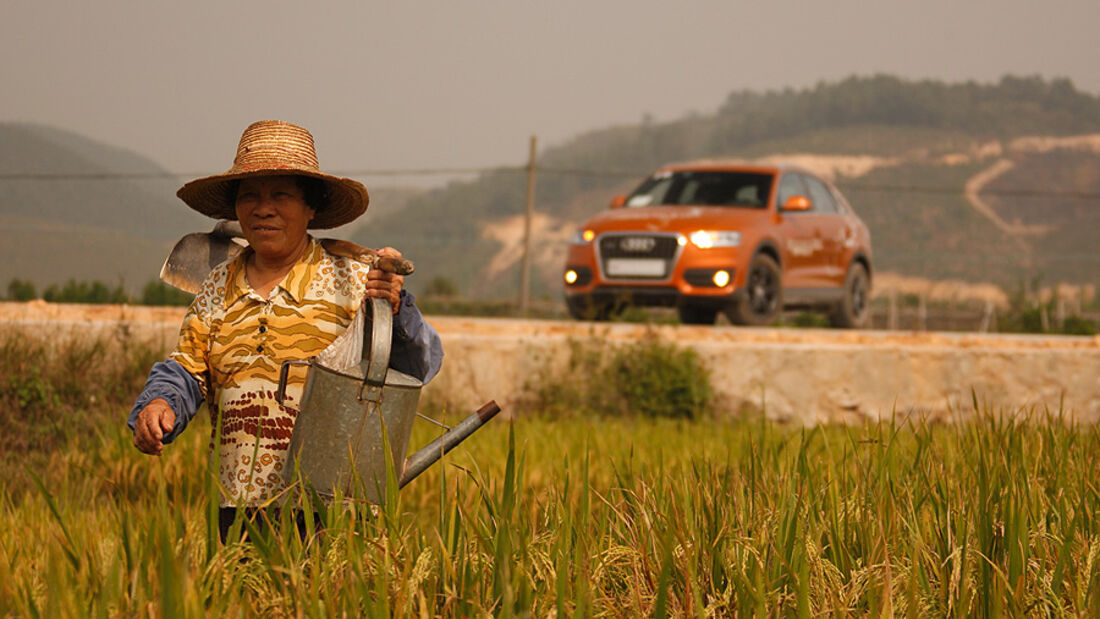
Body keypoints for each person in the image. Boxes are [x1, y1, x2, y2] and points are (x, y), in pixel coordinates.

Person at [127, 120, 443, 542]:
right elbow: (187, 370)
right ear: (236, 210)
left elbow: (419, 363)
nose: (264, 208)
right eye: (250, 197)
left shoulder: (355, 279)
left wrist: (395, 308)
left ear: (310, 208)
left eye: (281, 195)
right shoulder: (217, 288)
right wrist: (159, 404)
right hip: (237, 509)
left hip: (334, 510)